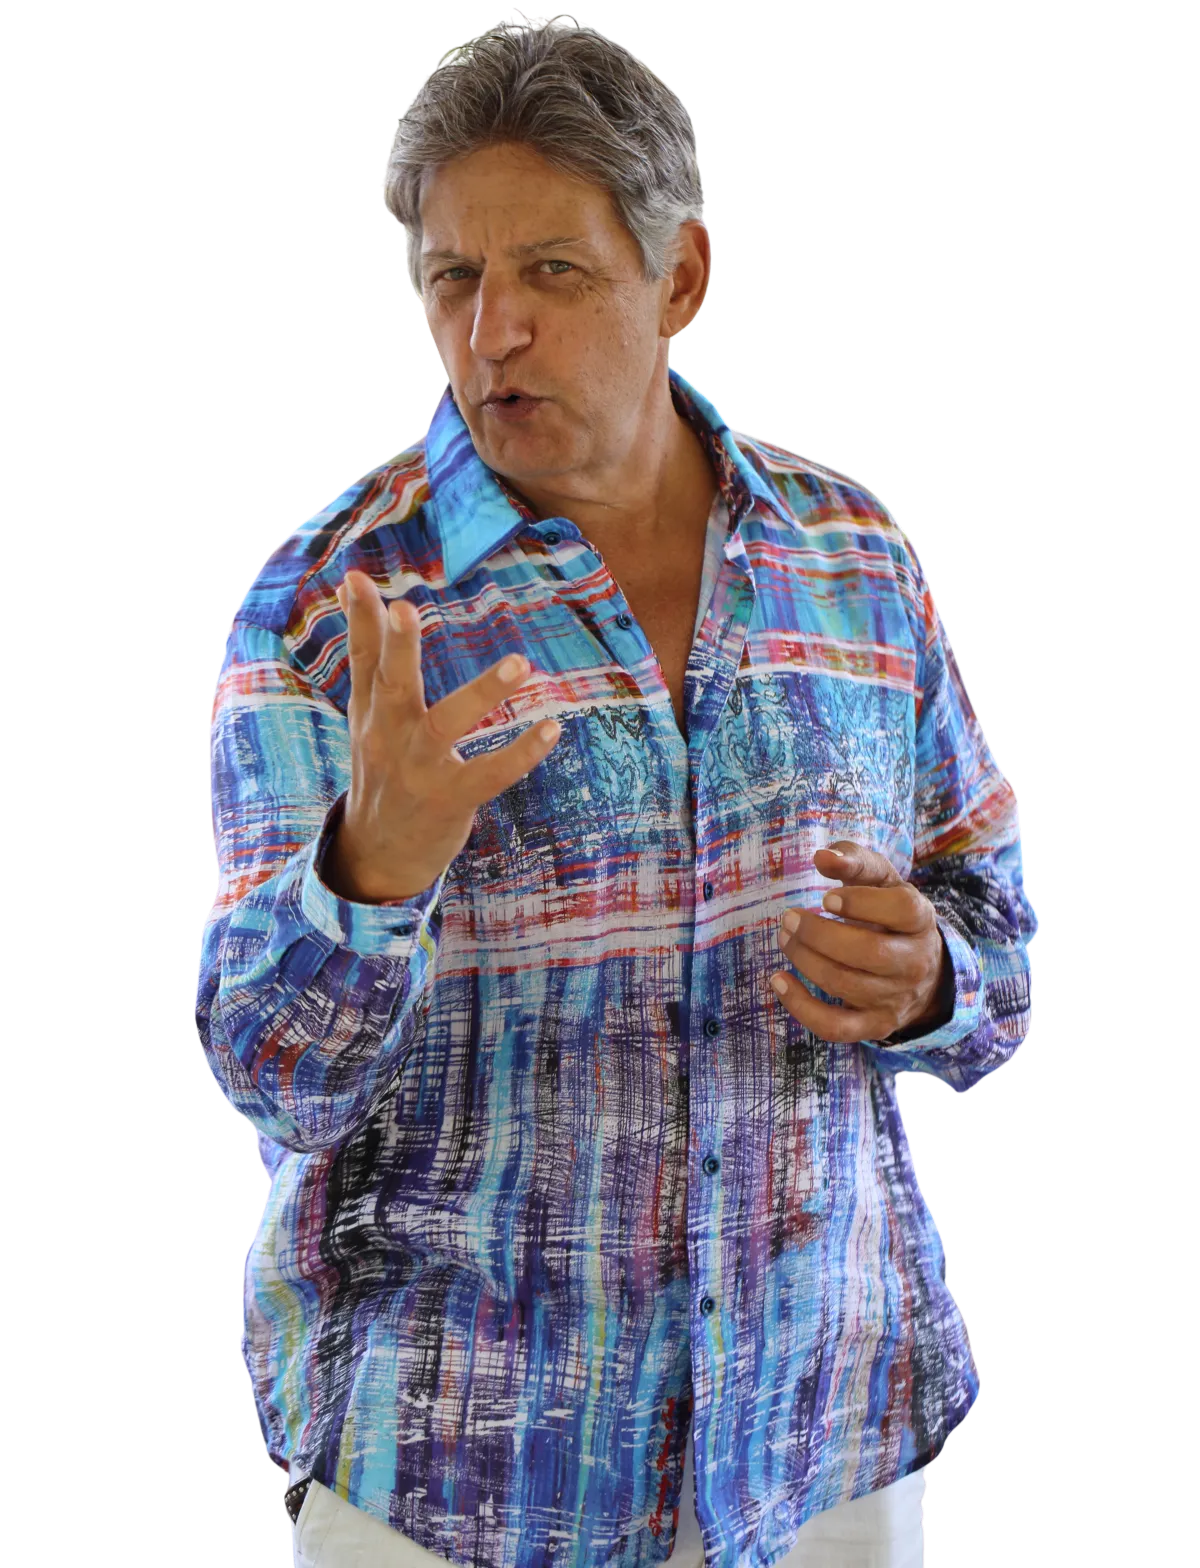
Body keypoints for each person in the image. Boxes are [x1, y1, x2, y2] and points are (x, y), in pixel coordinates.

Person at [195, 15, 1037, 1568]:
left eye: (553, 274)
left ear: (683, 280)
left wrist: (934, 979)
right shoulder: (328, 606)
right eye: (454, 278)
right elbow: (266, 1075)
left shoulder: (857, 559)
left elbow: (999, 946)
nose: (491, 330)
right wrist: (369, 871)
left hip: (823, 1448)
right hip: (452, 1490)